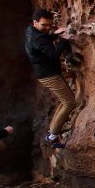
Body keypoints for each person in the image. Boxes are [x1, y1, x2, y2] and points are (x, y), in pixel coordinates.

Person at [24, 9, 76, 148]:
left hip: (45, 74)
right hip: (49, 75)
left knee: (65, 100)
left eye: (49, 25)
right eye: (44, 25)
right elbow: (53, 55)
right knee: (70, 103)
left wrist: (53, 35)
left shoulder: (31, 30)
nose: (47, 28)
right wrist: (64, 40)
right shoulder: (38, 38)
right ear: (35, 22)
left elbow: (43, 40)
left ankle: (52, 133)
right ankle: (52, 136)